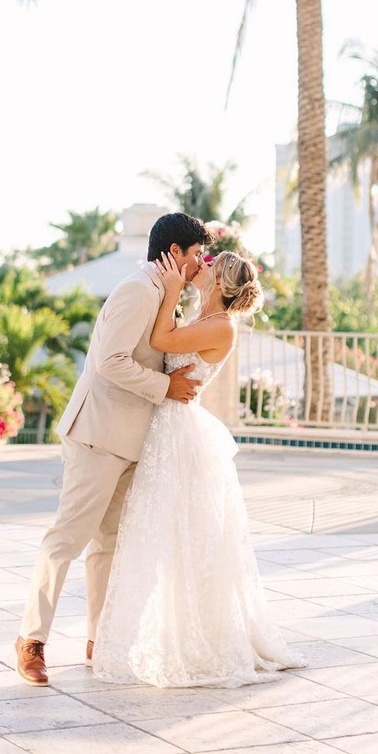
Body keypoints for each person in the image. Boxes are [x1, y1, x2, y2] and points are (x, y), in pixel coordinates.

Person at [91, 249, 307, 688]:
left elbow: (161, 341)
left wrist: (170, 292)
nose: (200, 265)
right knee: (158, 534)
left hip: (181, 437)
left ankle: (201, 638)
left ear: (219, 282)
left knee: (188, 538)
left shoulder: (220, 327)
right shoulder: (202, 315)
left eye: (209, 264)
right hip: (166, 430)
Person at [15, 212, 212, 686]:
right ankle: (31, 641)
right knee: (67, 539)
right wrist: (165, 386)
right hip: (98, 435)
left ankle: (99, 640)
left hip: (135, 442)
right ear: (174, 254)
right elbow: (110, 363)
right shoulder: (136, 290)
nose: (199, 264)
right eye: (195, 255)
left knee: (108, 545)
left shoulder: (165, 296)